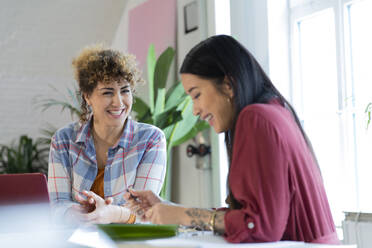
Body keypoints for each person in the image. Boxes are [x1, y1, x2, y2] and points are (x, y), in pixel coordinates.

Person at [124, 35, 340, 244]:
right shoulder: (276, 111)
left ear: (228, 84)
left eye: (196, 94)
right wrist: (169, 209)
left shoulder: (256, 118)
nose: (195, 110)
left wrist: (184, 215)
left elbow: (257, 226)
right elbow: (251, 217)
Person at [47, 45, 166, 225]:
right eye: (107, 92)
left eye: (125, 91)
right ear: (87, 96)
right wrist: (77, 212)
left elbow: (146, 211)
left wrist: (112, 214)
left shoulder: (151, 140)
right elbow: (57, 205)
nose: (119, 102)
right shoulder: (63, 140)